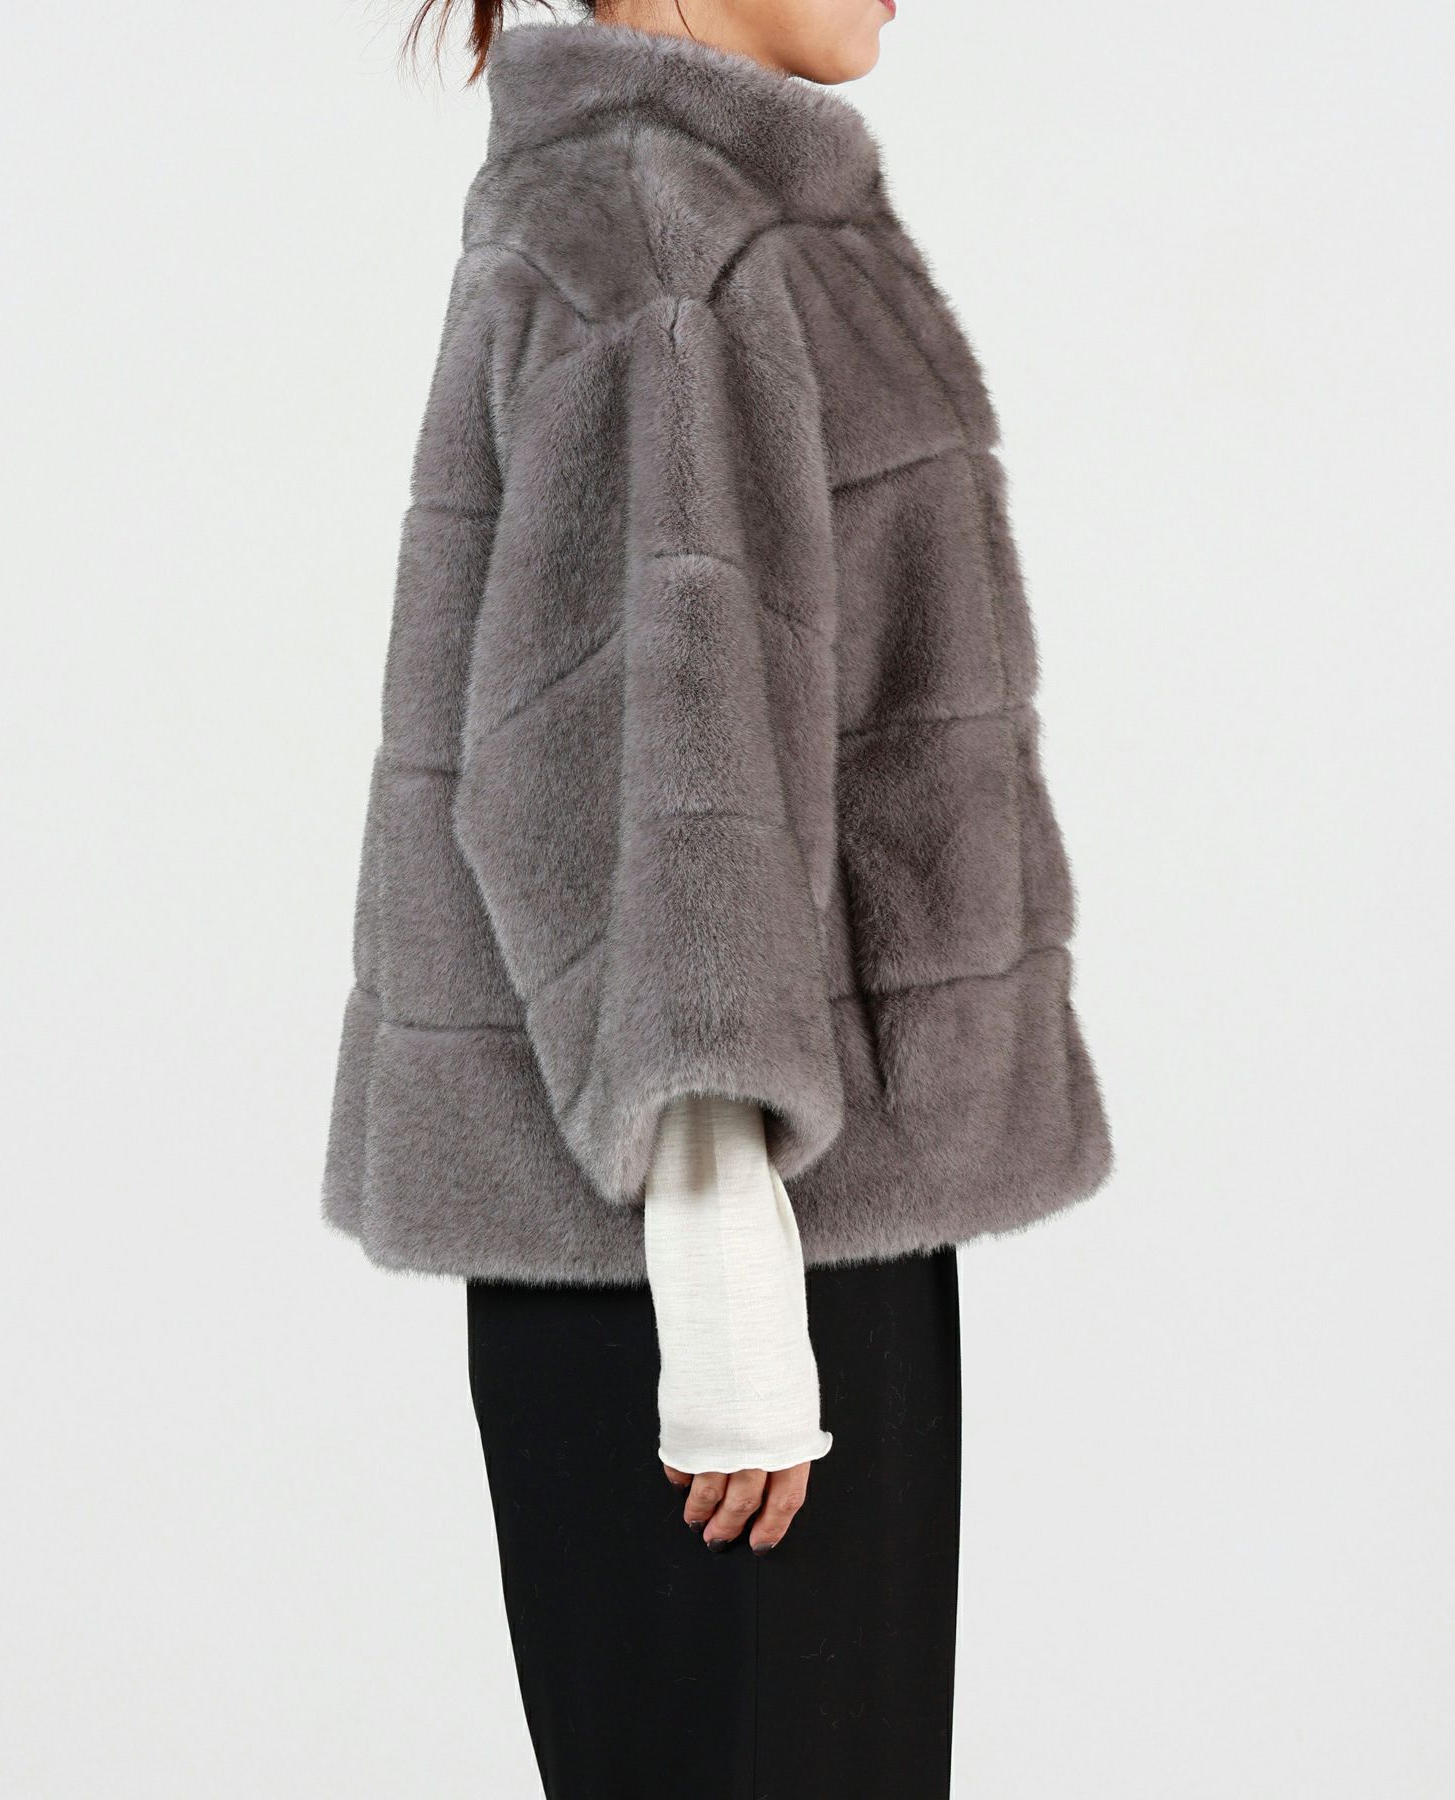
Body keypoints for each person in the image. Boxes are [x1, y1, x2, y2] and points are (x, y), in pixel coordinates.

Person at [322, 2, 1112, 1792]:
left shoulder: (709, 213)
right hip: (708, 1244)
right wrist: (729, 1282)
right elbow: (648, 787)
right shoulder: (661, 238)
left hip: (786, 1217)